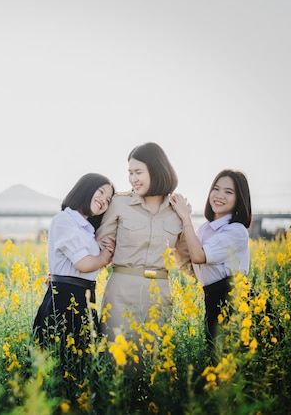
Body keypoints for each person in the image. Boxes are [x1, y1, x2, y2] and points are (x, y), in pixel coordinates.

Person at [95, 142, 188, 346]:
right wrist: (65, 275)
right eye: (130, 173)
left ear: (157, 170)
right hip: (120, 295)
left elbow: (188, 260)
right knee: (117, 364)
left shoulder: (177, 211)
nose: (133, 179)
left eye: (138, 172)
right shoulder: (120, 204)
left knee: (153, 366)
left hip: (159, 297)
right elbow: (100, 249)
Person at [170, 169, 252, 347]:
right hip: (213, 300)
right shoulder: (204, 230)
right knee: (217, 359)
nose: (219, 195)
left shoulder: (236, 231)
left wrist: (185, 217)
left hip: (236, 303)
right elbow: (190, 262)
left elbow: (199, 256)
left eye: (229, 192)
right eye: (216, 189)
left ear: (239, 199)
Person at [32, 173, 115, 348]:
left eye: (108, 200)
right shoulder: (65, 220)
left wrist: (105, 256)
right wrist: (105, 256)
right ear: (86, 189)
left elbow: (91, 268)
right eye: (100, 192)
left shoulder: (87, 230)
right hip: (65, 298)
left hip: (84, 296)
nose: (103, 201)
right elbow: (83, 264)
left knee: (81, 362)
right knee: (59, 359)